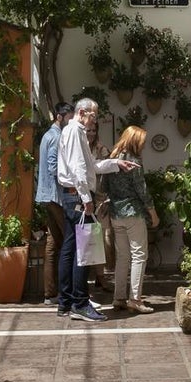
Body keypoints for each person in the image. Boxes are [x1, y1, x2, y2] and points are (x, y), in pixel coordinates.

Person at [56, 98, 136, 322]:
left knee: (70, 249)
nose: (95, 120)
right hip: (78, 196)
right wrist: (86, 198)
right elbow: (79, 169)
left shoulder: (73, 131)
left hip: (71, 195)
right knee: (84, 250)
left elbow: (89, 166)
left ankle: (66, 302)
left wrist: (116, 164)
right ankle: (80, 303)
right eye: (93, 116)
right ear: (82, 112)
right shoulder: (75, 132)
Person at [105, 126, 159, 314]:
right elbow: (142, 190)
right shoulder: (134, 161)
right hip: (133, 213)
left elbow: (104, 187)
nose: (143, 145)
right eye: (142, 142)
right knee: (139, 255)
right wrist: (153, 213)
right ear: (134, 141)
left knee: (122, 257)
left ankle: (118, 298)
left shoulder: (112, 159)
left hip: (116, 214)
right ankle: (135, 299)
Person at [36, 102, 74, 306]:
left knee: (53, 243)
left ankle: (50, 293)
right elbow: (53, 166)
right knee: (70, 239)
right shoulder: (57, 136)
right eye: (69, 117)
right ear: (60, 117)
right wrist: (70, 182)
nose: (71, 121)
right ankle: (68, 291)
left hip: (45, 195)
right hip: (56, 196)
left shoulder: (46, 136)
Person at [87, 122, 115, 292]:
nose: (91, 133)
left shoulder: (102, 149)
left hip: (101, 199)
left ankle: (100, 276)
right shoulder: (80, 148)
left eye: (93, 130)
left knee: (101, 240)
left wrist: (108, 198)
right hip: (85, 198)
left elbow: (109, 173)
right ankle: (91, 276)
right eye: (88, 130)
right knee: (87, 239)